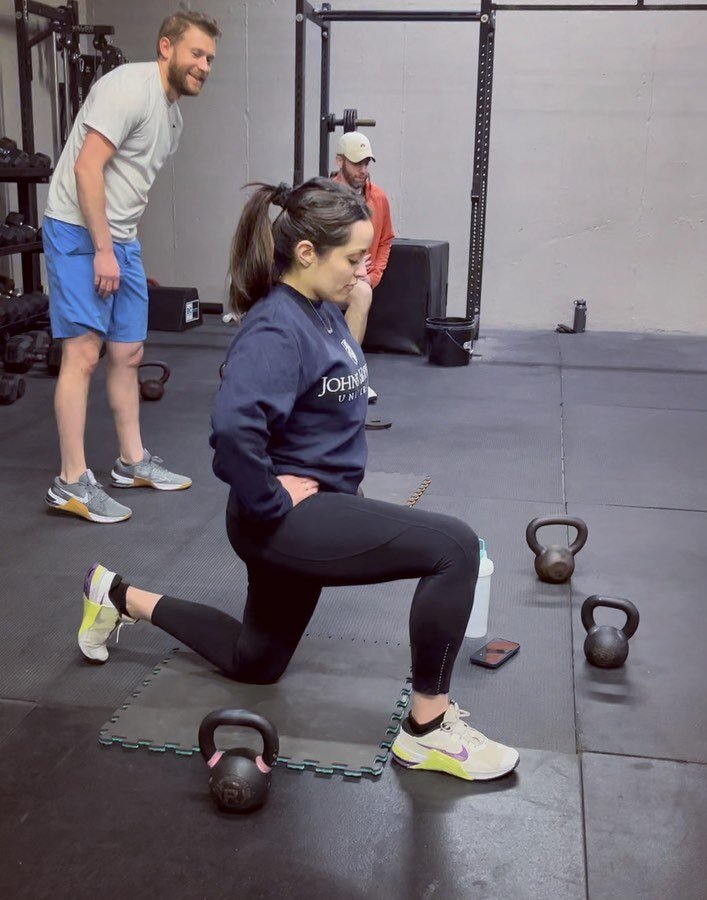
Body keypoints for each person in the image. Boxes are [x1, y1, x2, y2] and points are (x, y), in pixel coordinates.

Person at [78, 177, 519, 782]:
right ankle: (428, 730)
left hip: (302, 512)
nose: (363, 270)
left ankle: (116, 596)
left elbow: (336, 375)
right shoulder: (274, 328)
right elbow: (234, 431)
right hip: (287, 519)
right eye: (353, 259)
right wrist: (268, 499)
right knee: (455, 548)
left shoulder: (321, 311)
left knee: (254, 662)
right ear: (306, 253)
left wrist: (357, 305)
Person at [42, 10, 221, 524]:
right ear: (166, 47)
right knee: (83, 354)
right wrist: (102, 248)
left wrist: (123, 248)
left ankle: (131, 461)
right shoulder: (127, 87)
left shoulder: (172, 118)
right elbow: (86, 166)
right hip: (78, 231)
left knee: (128, 351)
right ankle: (71, 482)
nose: (203, 65)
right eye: (195, 53)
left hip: (118, 239)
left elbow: (129, 187)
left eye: (209, 58)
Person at [332, 132, 394, 404]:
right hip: (324, 277)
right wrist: (349, 265)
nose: (363, 170)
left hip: (357, 279)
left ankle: (351, 375)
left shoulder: (378, 198)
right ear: (339, 161)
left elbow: (385, 240)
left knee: (363, 293)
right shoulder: (324, 195)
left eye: (367, 163)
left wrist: (373, 275)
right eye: (357, 163)